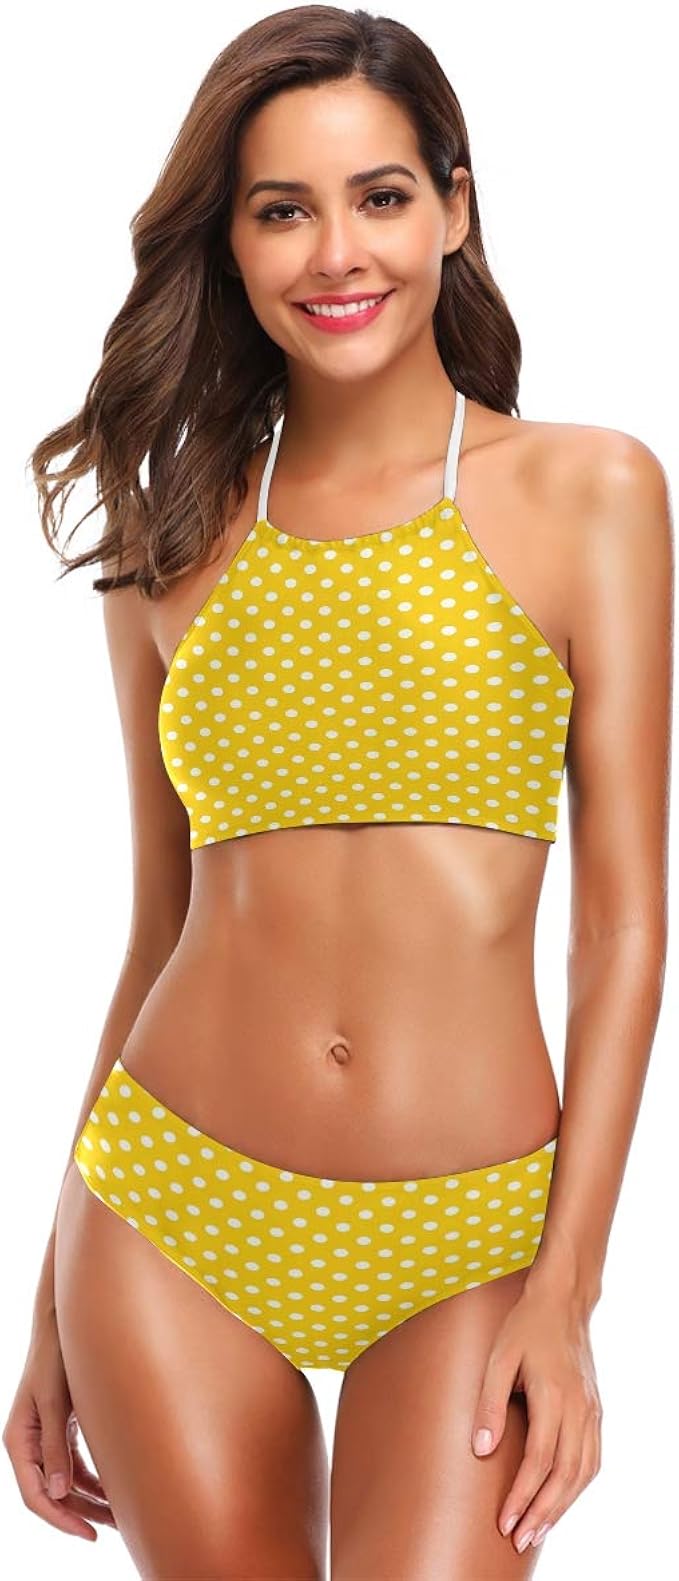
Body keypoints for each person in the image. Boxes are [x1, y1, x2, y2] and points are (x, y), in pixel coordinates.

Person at [3, 7, 672, 1576]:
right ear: (231, 244)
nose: (336, 252)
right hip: (171, 1209)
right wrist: (47, 1303)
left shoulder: (588, 492)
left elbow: (625, 925)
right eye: (281, 209)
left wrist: (570, 1289)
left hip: (472, 1236)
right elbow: (157, 920)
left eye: (379, 196)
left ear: (454, 206)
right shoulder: (173, 537)